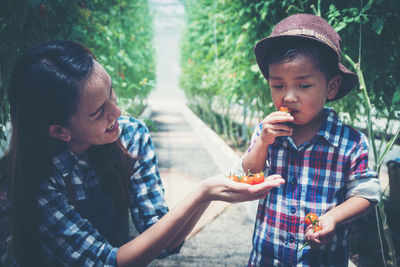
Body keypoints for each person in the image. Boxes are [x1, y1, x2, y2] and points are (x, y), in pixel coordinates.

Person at [0, 40, 286, 267]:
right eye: (99, 112)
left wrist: (207, 193)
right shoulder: (37, 180)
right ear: (61, 132)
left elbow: (165, 242)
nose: (117, 112)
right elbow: (107, 262)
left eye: (111, 93)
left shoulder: (131, 137)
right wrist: (203, 193)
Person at [234, 13, 381, 266]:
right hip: (267, 258)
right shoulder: (266, 132)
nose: (288, 97)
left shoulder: (350, 143)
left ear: (331, 86)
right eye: (278, 85)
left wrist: (333, 218)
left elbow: (367, 194)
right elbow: (246, 178)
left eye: (303, 86)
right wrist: (262, 144)